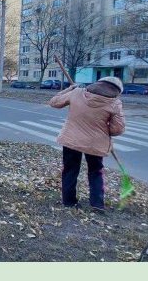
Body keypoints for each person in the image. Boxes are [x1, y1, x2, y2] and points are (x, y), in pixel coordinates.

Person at [48, 76, 126, 212]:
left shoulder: (77, 92)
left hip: (71, 140)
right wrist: (103, 125)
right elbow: (117, 129)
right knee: (96, 172)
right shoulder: (115, 103)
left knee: (70, 170)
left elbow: (54, 102)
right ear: (117, 91)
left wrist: (70, 89)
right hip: (95, 143)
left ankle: (68, 202)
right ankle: (97, 204)